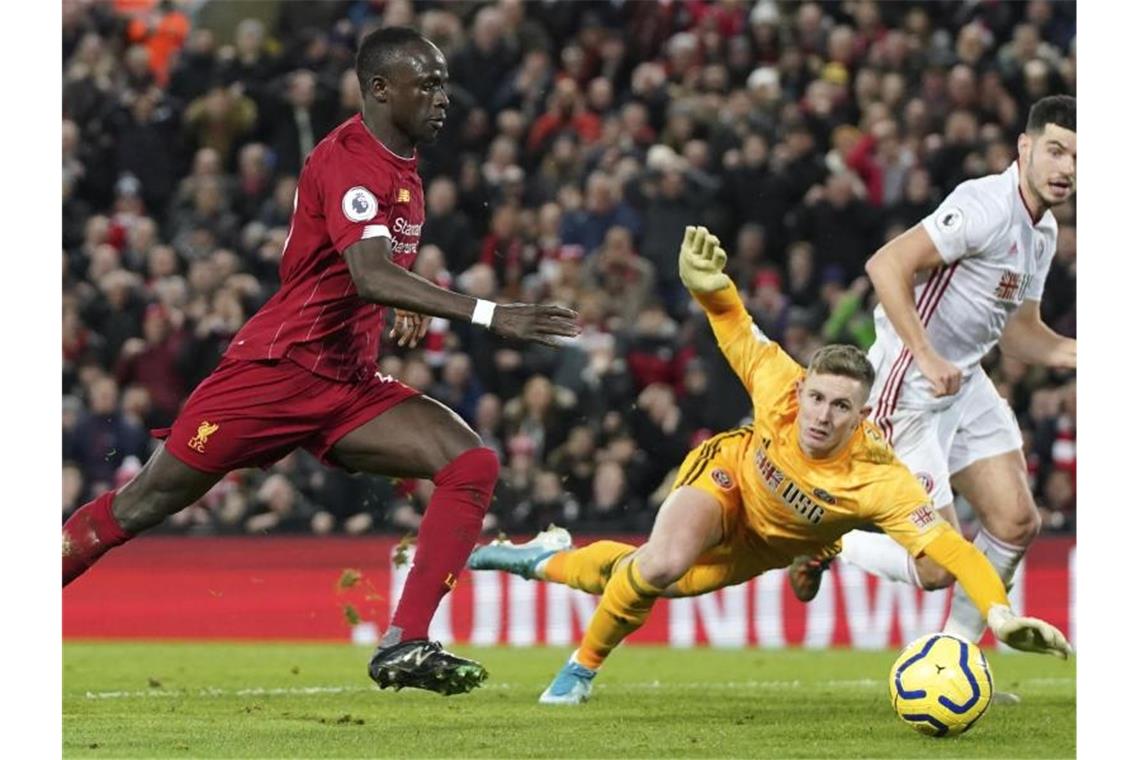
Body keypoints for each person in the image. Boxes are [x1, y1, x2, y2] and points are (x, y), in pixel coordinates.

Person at [61, 27, 580, 697]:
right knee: (139, 505)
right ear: (379, 90)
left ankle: (405, 643)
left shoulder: (404, 165)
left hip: (346, 384)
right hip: (276, 374)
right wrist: (489, 312)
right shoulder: (350, 159)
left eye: (443, 82)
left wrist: (402, 296)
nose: (442, 97)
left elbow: (359, 268)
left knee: (469, 461)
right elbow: (366, 272)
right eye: (426, 84)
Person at [467, 226, 1071, 705]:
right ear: (802, 389)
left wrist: (1001, 613)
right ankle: (579, 672)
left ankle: (543, 557)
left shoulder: (880, 477)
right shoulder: (780, 386)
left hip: (765, 548)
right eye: (816, 397)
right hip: (726, 479)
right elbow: (736, 327)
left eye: (841, 407)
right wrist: (708, 286)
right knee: (662, 562)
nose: (821, 415)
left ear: (862, 416)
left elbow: (954, 551)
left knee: (639, 578)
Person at [826, 96, 1076, 682]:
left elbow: (1019, 337)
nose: (1067, 168)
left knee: (1017, 521)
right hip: (907, 385)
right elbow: (886, 264)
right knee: (938, 565)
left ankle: (953, 661)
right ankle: (830, 542)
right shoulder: (984, 204)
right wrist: (926, 354)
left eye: (1079, 159)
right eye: (1057, 150)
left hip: (962, 382)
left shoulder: (1042, 230)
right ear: (1026, 147)